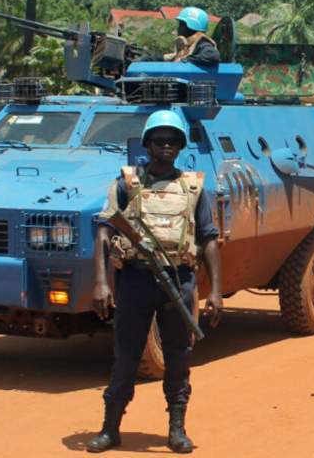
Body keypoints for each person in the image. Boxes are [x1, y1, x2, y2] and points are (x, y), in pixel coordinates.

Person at [88, 110, 224, 454]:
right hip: (134, 281)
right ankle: (110, 428)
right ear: (147, 144)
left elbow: (209, 238)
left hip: (179, 282)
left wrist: (216, 291)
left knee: (178, 358)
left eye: (173, 140)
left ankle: (176, 429)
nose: (166, 145)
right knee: (126, 357)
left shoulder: (192, 188)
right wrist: (101, 283)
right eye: (159, 139)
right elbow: (104, 231)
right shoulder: (127, 185)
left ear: (181, 146)